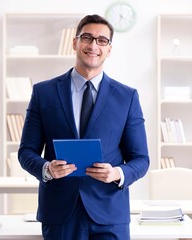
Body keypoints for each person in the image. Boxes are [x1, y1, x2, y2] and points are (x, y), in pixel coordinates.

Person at [18, 14, 149, 240]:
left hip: (109, 215)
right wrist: (47, 169)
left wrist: (116, 173)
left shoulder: (127, 97)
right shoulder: (44, 93)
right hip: (60, 214)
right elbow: (26, 152)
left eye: (102, 41)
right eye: (87, 37)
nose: (93, 45)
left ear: (109, 49)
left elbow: (141, 159)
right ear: (75, 42)